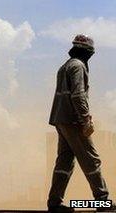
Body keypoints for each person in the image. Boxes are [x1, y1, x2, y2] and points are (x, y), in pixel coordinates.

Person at [47, 34, 115, 213]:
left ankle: (54, 203)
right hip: (73, 120)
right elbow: (78, 95)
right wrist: (85, 119)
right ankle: (102, 200)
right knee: (91, 159)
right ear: (88, 52)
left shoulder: (65, 66)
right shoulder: (78, 66)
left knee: (65, 162)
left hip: (60, 120)